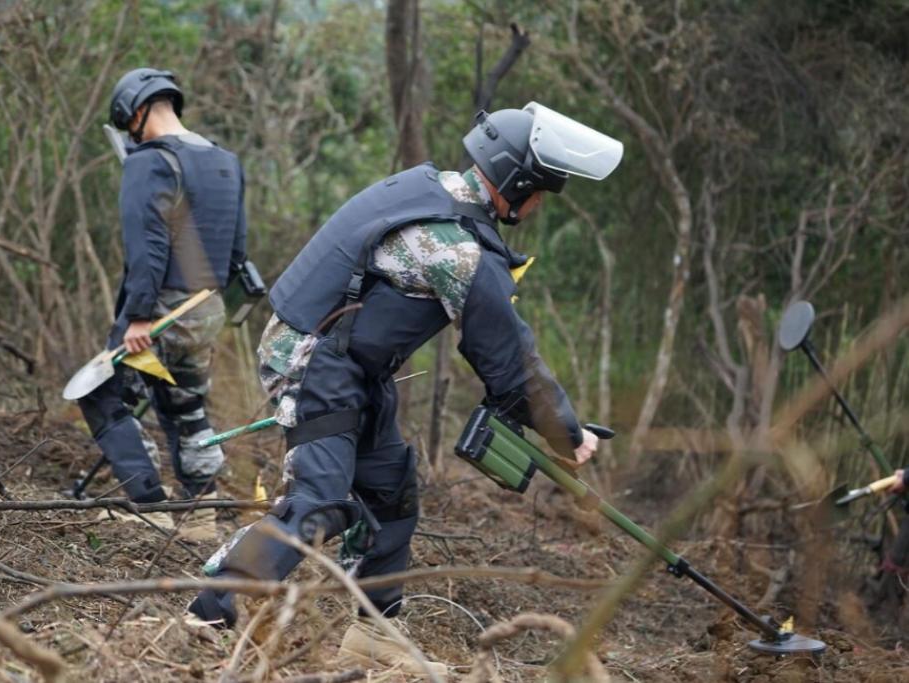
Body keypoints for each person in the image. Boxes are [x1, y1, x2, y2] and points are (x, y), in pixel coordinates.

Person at [188, 102, 623, 673]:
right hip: (315, 362)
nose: (540, 203)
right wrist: (567, 433)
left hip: (350, 363)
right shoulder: (458, 251)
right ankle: (211, 610)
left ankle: (373, 632)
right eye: (540, 191)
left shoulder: (432, 190)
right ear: (516, 184)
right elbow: (509, 359)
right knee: (322, 498)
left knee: (391, 491)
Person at [77, 68, 249, 541]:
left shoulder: (148, 163)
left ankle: (148, 506)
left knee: (101, 394)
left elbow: (147, 247)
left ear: (135, 113)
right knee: (185, 405)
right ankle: (200, 514)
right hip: (206, 308)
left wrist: (138, 316)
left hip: (160, 312)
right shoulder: (226, 161)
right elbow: (237, 250)